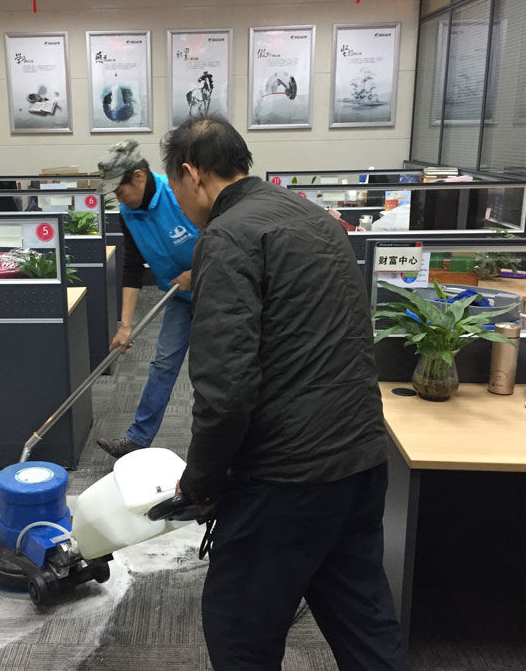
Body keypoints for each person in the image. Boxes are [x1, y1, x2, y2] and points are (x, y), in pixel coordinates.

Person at [162, 116, 410, 671]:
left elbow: (225, 389)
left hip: (288, 478)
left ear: (191, 174)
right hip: (361, 459)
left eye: (175, 187)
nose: (177, 201)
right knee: (365, 624)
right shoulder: (314, 217)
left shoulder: (227, 236)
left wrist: (201, 484)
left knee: (239, 632)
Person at [95, 139, 199, 459]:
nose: (118, 199)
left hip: (217, 293)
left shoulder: (179, 193)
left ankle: (217, 451)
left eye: (119, 190)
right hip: (179, 297)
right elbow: (131, 267)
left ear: (138, 177)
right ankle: (138, 439)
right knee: (163, 365)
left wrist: (197, 271)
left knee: (212, 371)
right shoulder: (128, 212)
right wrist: (125, 325)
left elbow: (223, 236)